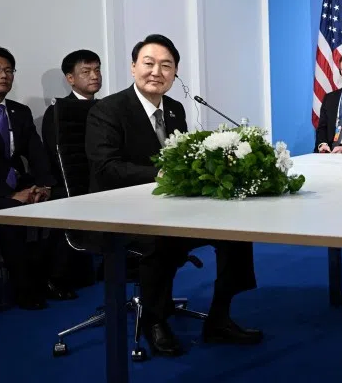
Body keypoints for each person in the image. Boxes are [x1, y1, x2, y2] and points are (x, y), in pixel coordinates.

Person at [85, 34, 260, 357]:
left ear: (175, 72)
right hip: (120, 211)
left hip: (171, 206)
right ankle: (155, 320)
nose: (157, 72)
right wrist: (160, 175)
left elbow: (181, 157)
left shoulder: (176, 109)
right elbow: (106, 169)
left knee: (236, 230)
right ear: (133, 67)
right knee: (160, 238)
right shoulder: (107, 110)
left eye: (166, 65)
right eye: (148, 63)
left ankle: (220, 317)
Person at [0, 47, 54, 324]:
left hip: (16, 186)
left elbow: (36, 152)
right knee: (4, 215)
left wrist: (44, 185)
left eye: (9, 71)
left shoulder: (20, 112)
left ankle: (33, 287)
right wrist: (8, 196)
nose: (4, 76)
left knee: (51, 206)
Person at [40, 50, 103, 300]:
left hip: (100, 178)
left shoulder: (106, 108)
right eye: (86, 71)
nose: (94, 76)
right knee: (68, 201)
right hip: (68, 181)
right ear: (70, 78)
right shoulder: (57, 111)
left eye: (97, 70)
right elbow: (55, 154)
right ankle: (56, 278)